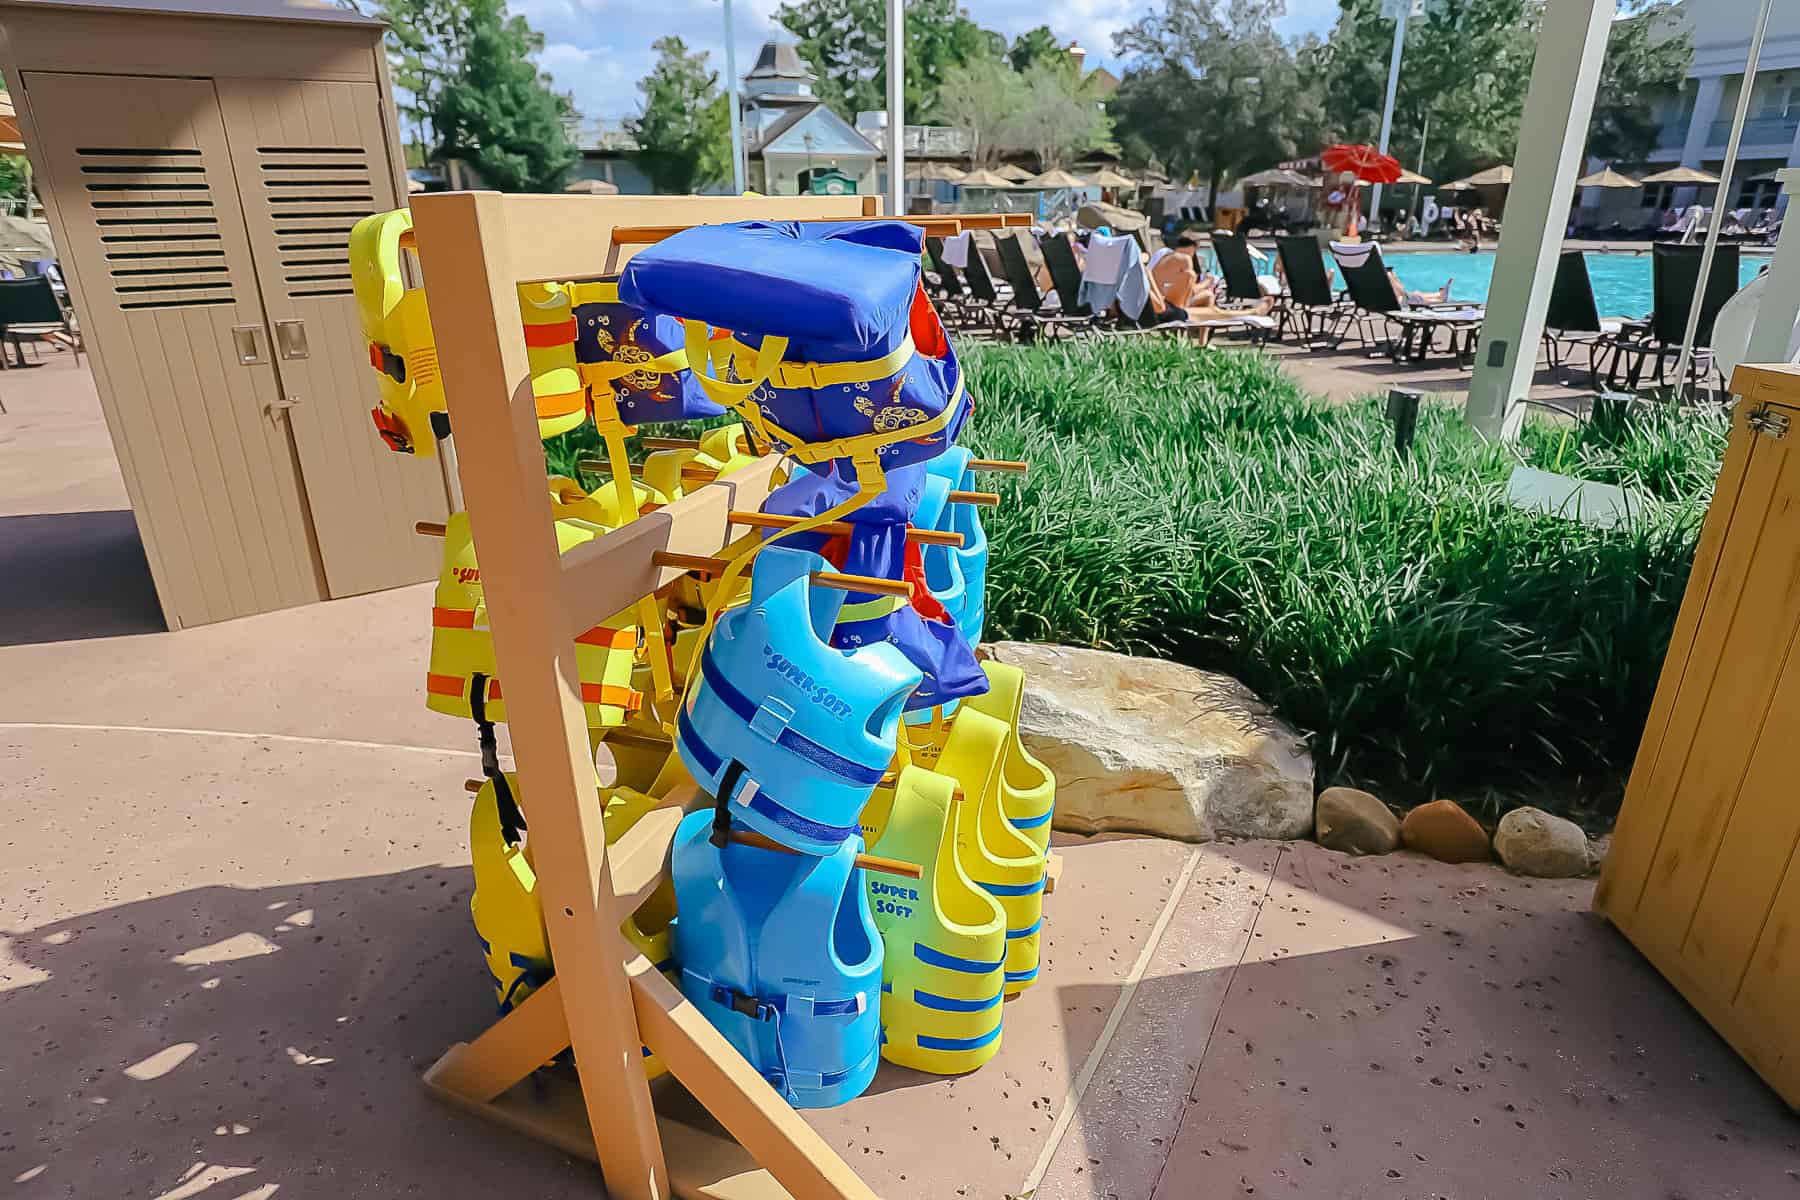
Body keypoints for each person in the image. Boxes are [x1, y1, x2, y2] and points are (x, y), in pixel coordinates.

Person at [1149, 234, 1273, 322]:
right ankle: (1251, 313)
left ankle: (1252, 312)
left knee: (1198, 286)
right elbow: (1159, 306)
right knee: (1214, 309)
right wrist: (1206, 282)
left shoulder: (1164, 255)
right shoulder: (1182, 259)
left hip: (1167, 305)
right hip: (1169, 312)